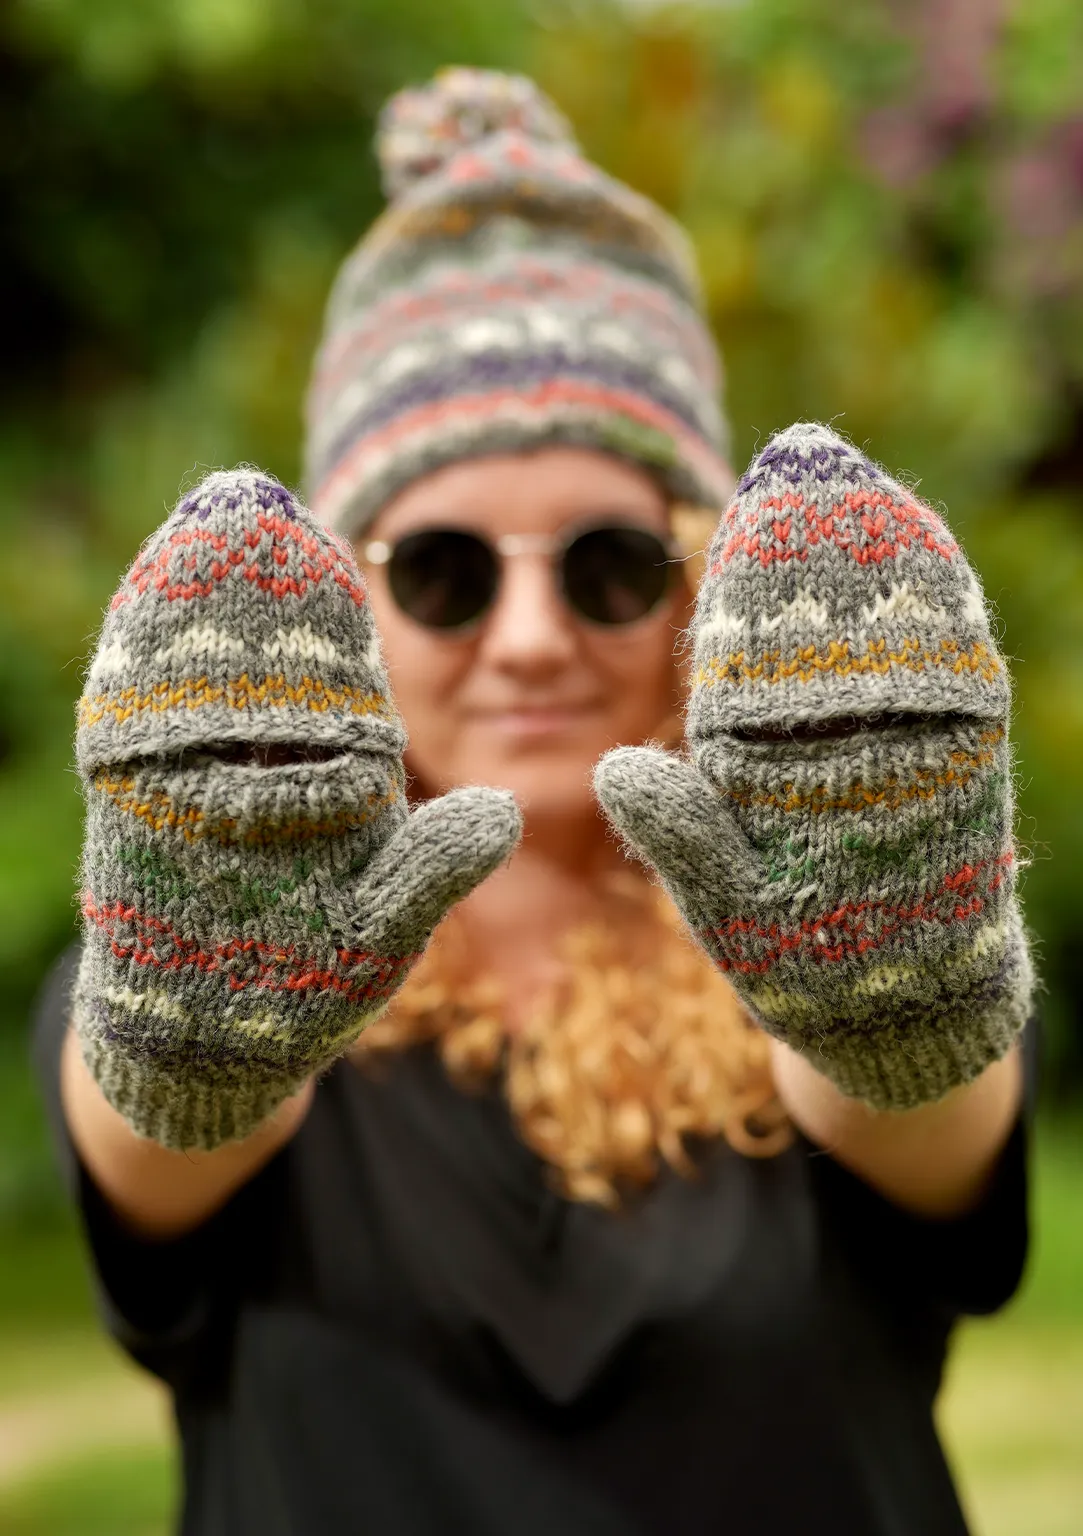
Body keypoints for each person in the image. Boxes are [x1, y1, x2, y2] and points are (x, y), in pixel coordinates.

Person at [34, 68, 1034, 1536]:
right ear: (344, 611)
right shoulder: (179, 968)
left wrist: (887, 1005)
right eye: (439, 569)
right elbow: (159, 1142)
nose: (527, 638)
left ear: (705, 588)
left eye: (608, 564)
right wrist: (204, 1042)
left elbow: (934, 1122)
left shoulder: (861, 922)